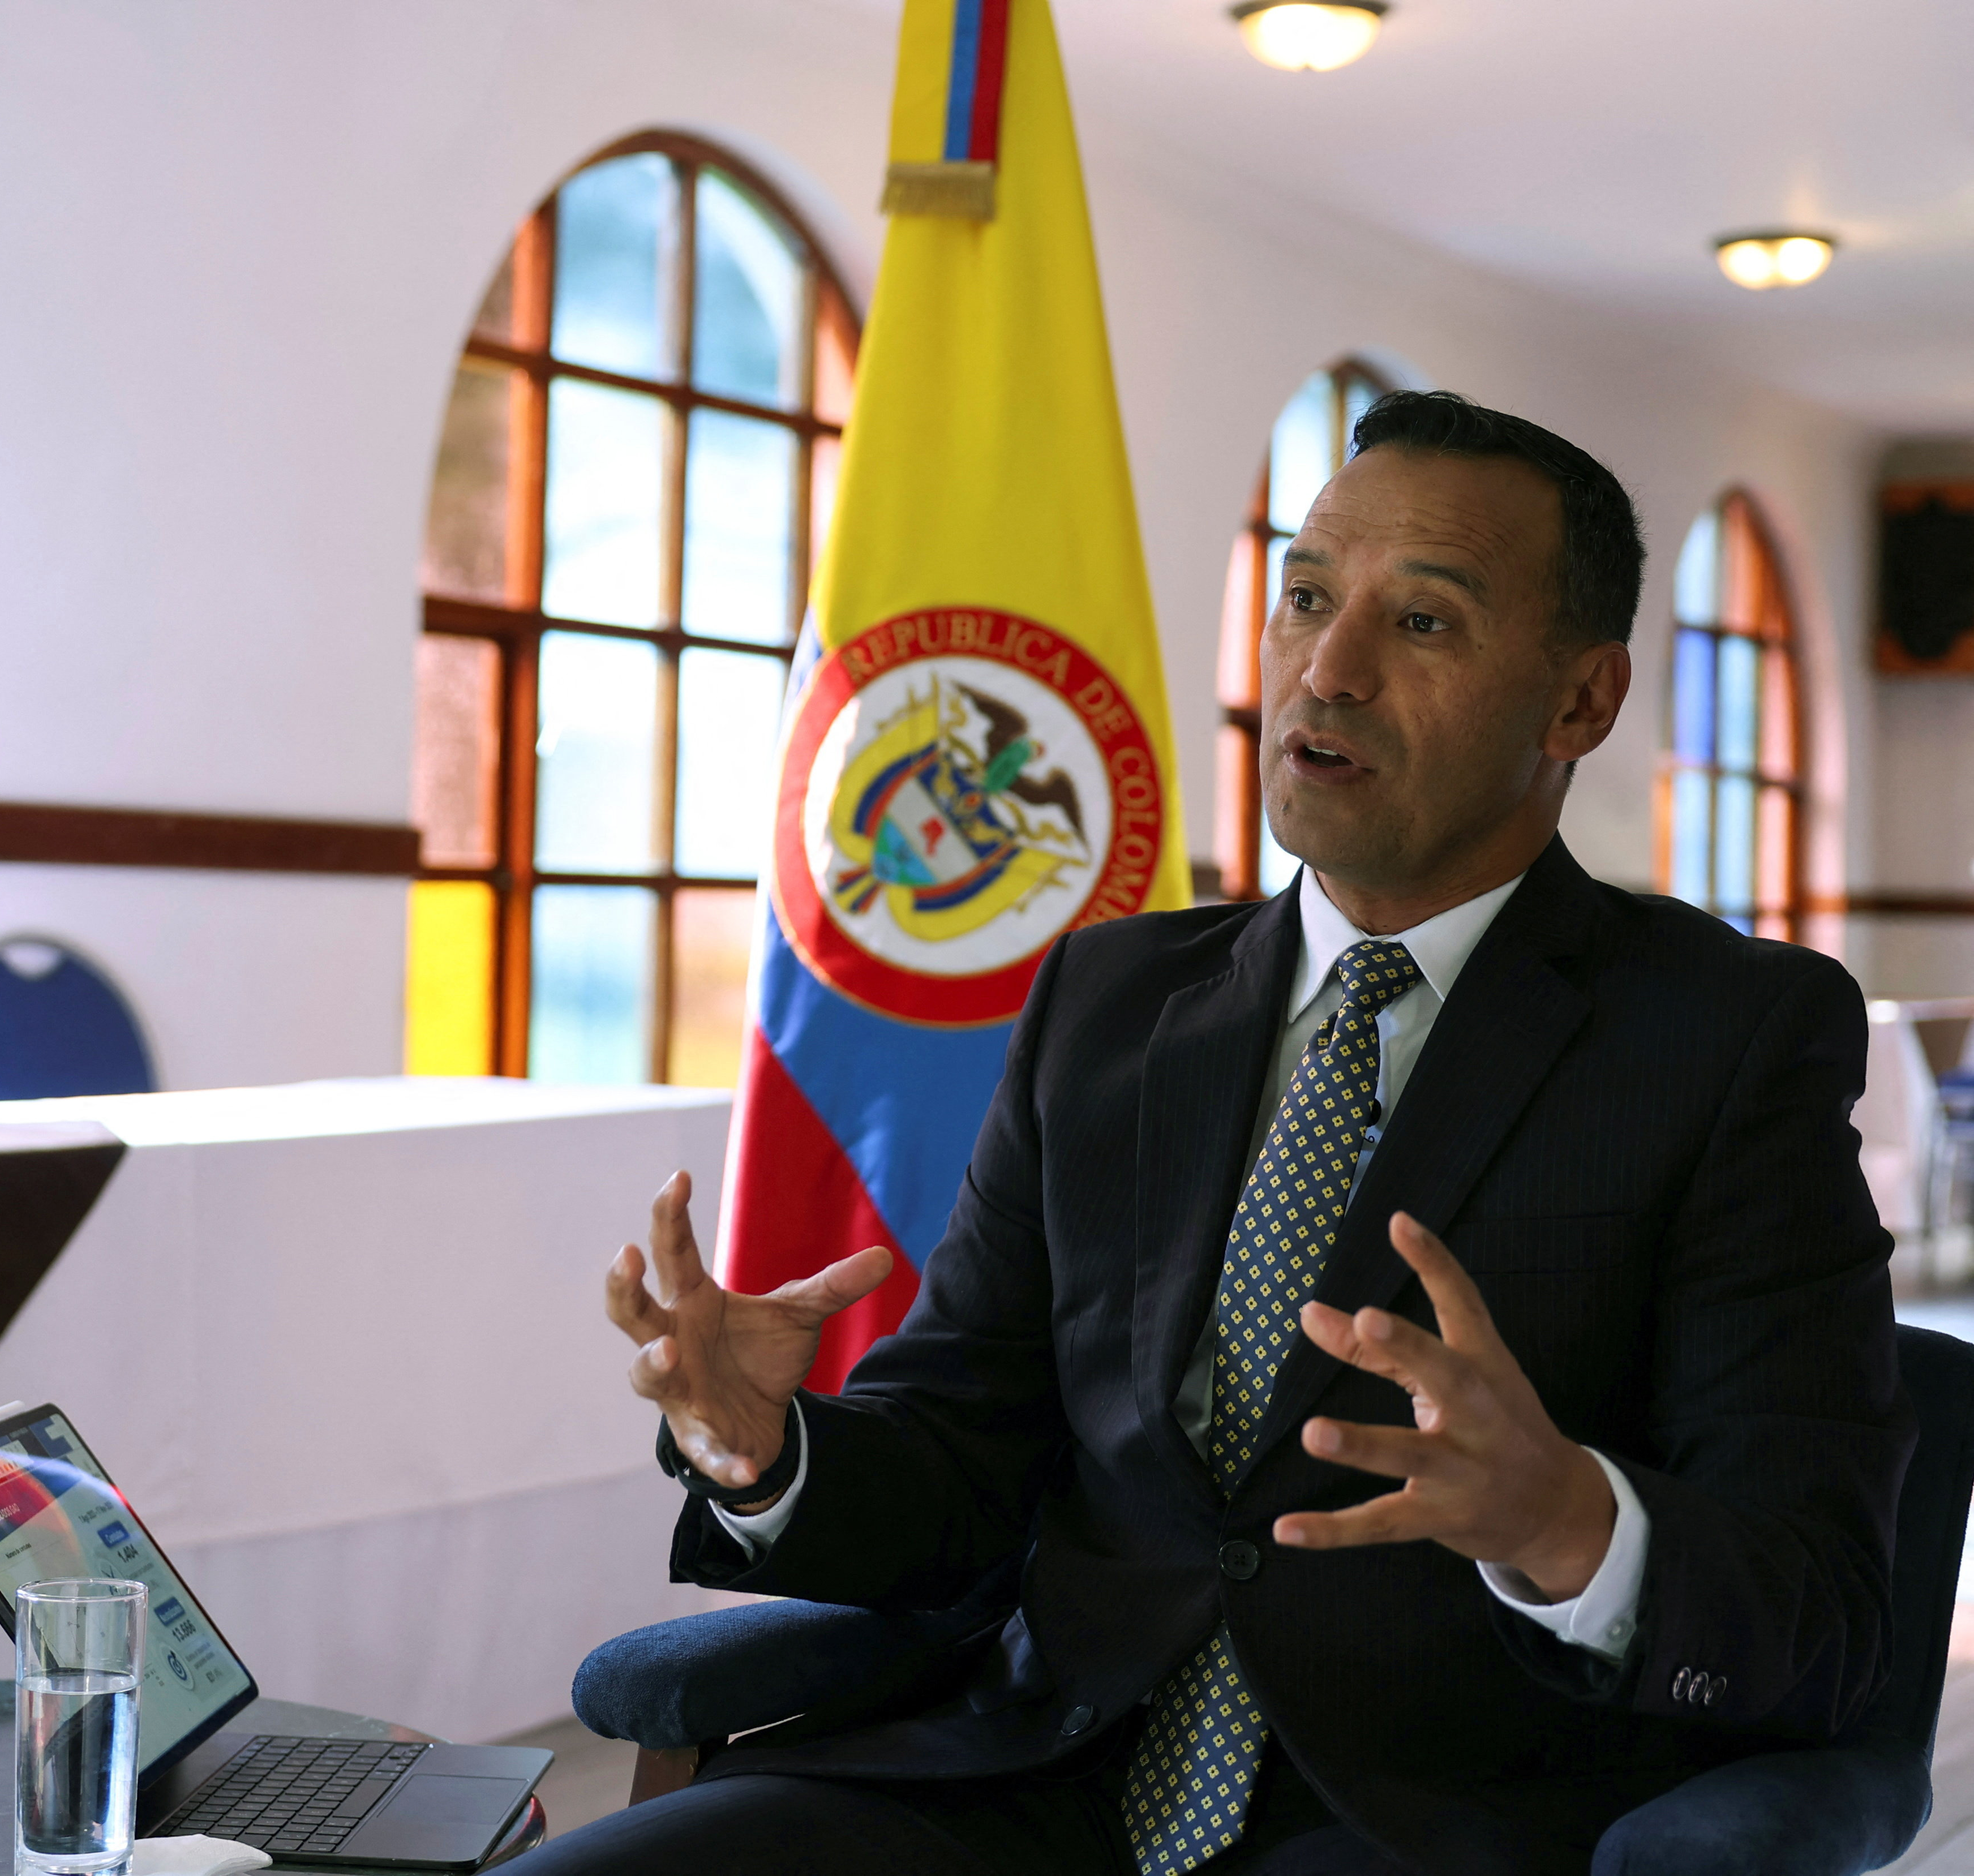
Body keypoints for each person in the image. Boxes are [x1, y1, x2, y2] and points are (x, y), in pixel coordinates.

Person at [511, 392, 1910, 1875]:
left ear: (1580, 702)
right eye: (1305, 596)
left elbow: (1819, 1612)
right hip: (1023, 1776)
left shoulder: (1730, 1039)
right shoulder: (1112, 999)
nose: (1330, 665)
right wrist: (766, 1452)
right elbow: (962, 1459)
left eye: (1422, 623)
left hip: (1421, 1823)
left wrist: (1568, 1518)